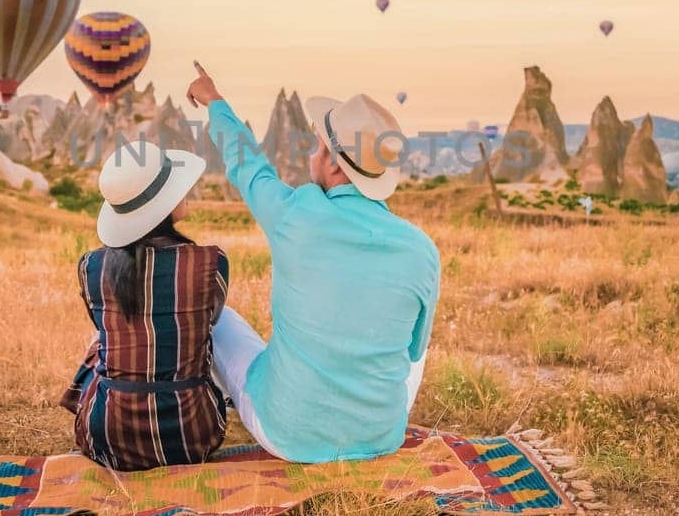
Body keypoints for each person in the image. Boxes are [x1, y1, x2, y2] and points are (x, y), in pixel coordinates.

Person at [187, 62, 440, 463]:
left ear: (335, 163)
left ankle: (204, 410)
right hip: (380, 436)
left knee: (218, 320)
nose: (311, 152)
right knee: (418, 344)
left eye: (317, 144)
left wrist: (214, 101)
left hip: (287, 436)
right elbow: (412, 351)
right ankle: (362, 419)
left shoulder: (295, 214)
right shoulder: (422, 248)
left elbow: (248, 167)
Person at [58, 140, 229, 470]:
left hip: (108, 438)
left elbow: (100, 326)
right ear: (164, 205)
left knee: (102, 343)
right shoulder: (211, 262)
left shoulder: (91, 267)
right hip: (192, 436)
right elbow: (211, 322)